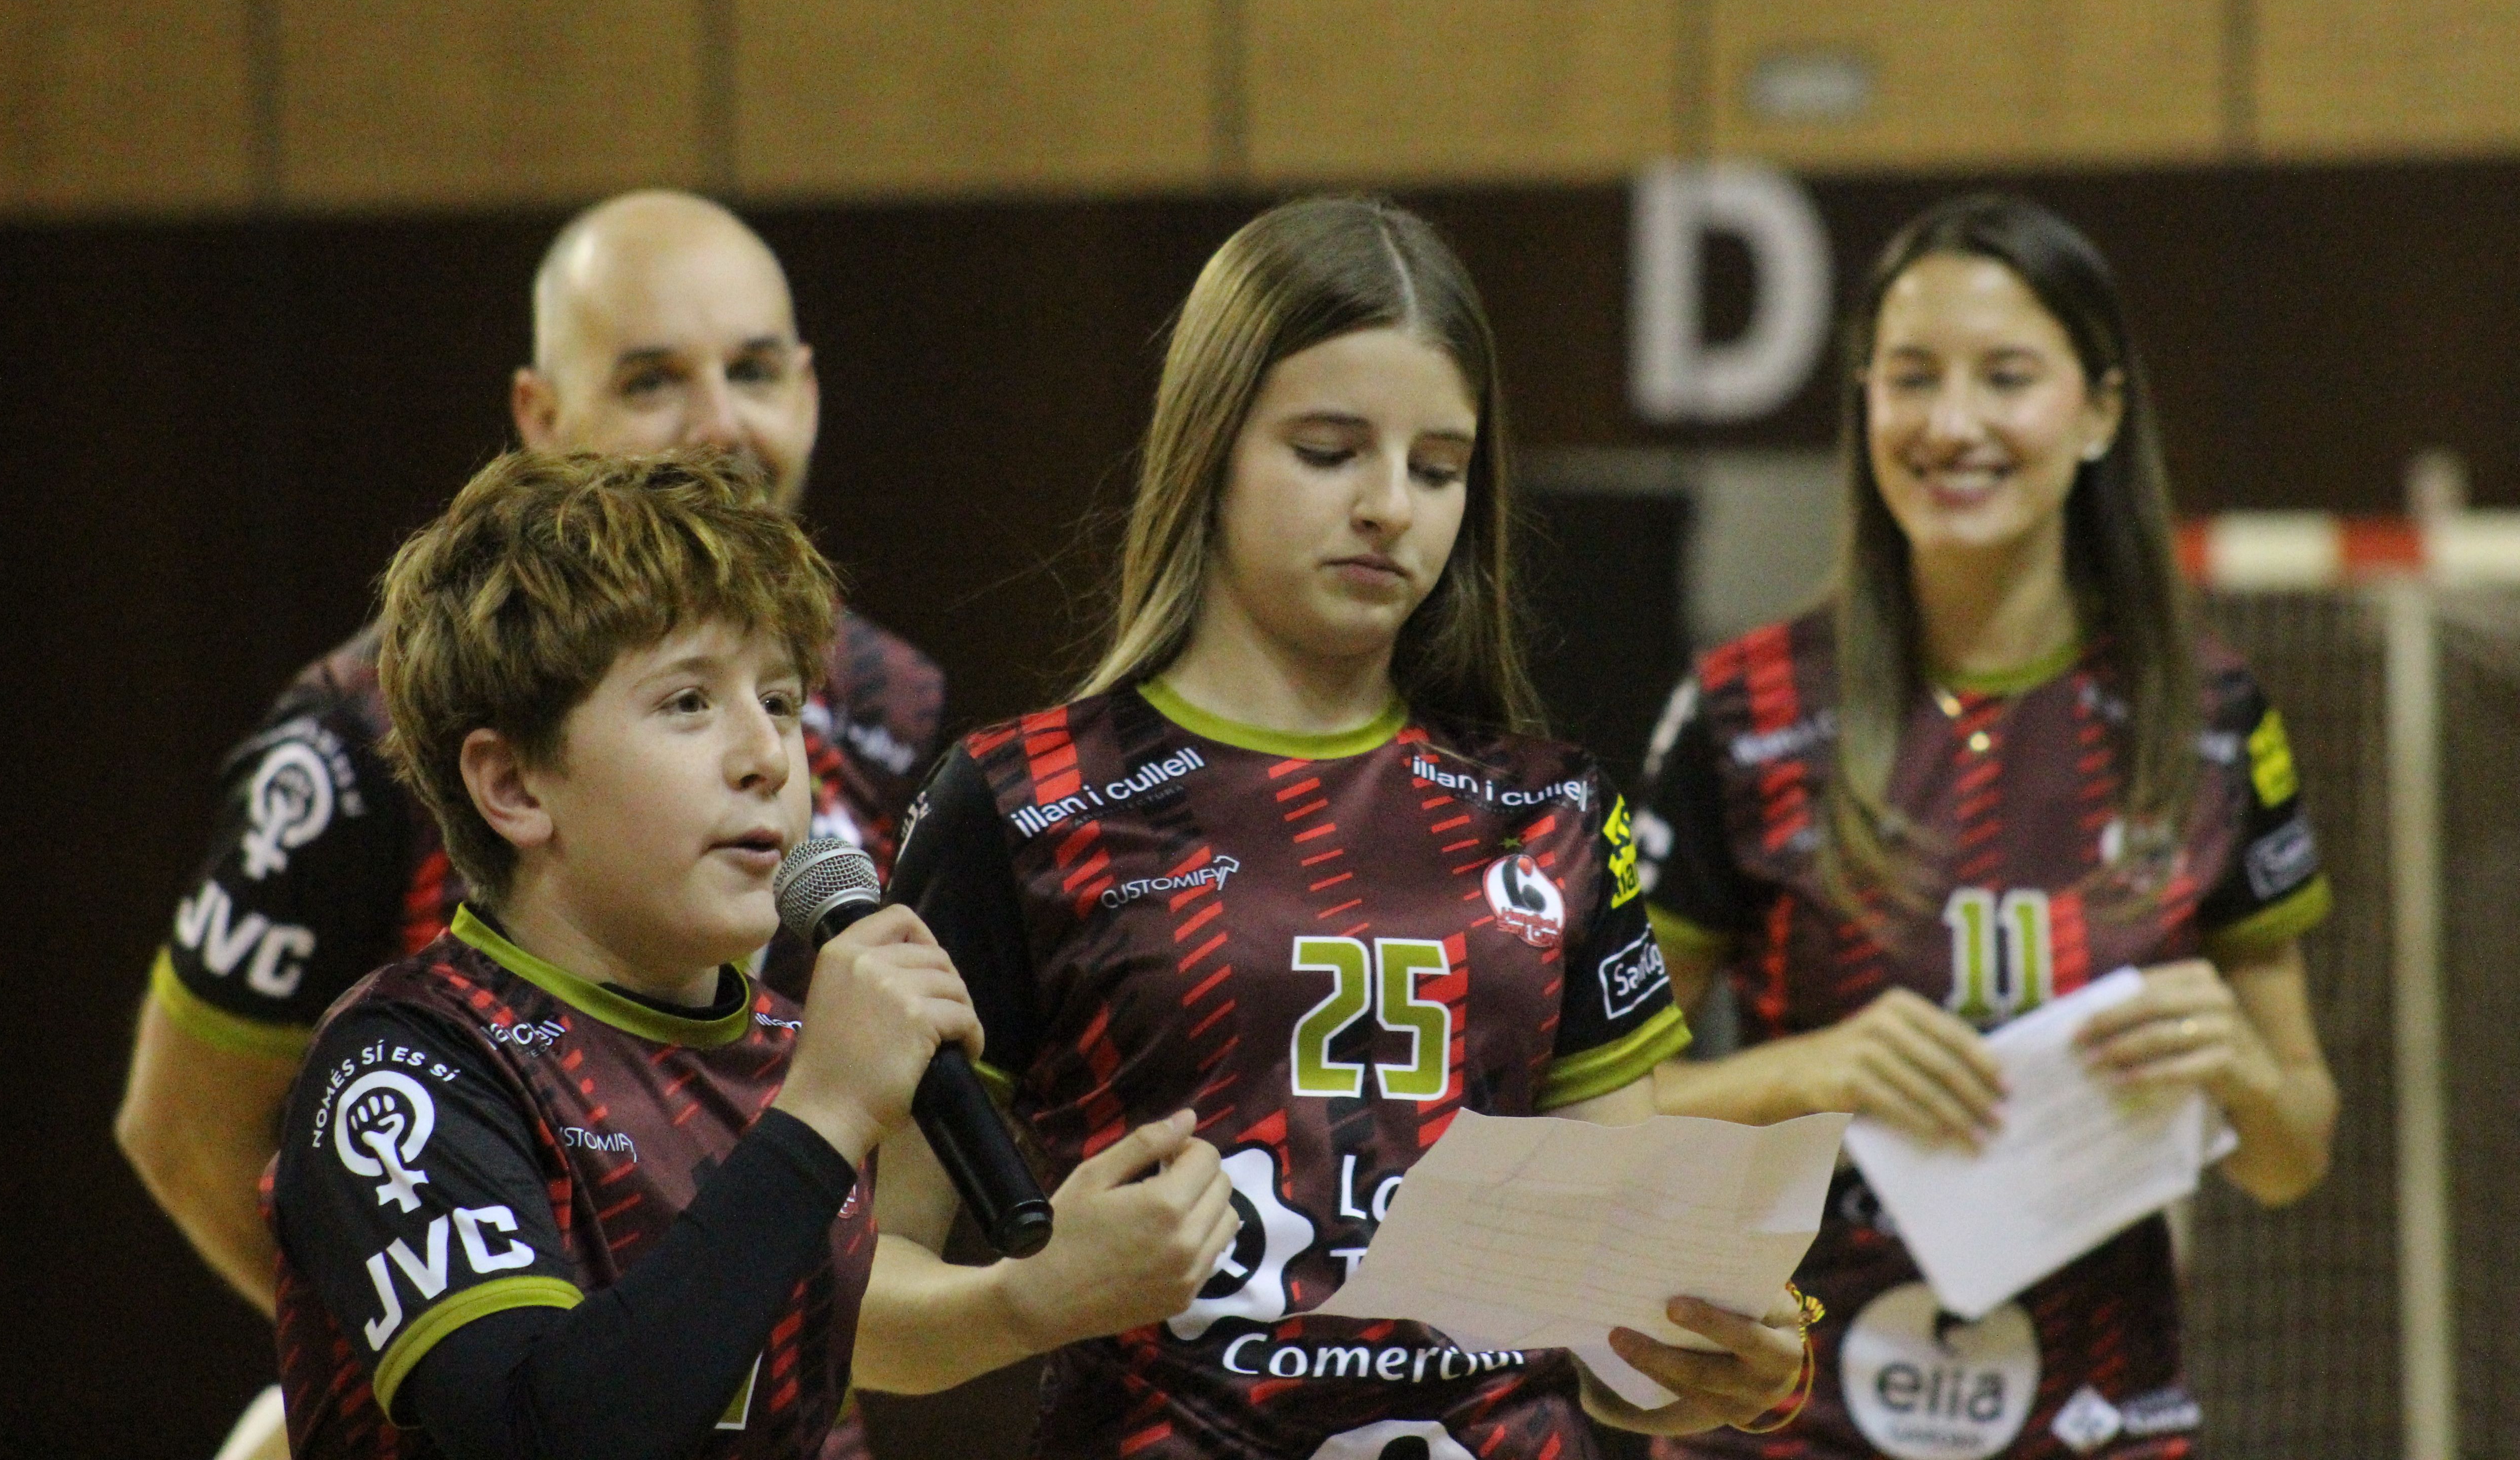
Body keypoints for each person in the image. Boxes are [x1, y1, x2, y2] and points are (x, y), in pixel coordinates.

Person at [874, 197, 1809, 1457]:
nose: (1389, 506)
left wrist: (1740, 1355)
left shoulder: (1560, 812)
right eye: (1328, 451)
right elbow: (853, 1302)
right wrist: (1023, 1301)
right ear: (1207, 448)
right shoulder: (1019, 802)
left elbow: (1618, 1329)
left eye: (1437, 468)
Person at [114, 193, 942, 1455]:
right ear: (541, 417)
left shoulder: (891, 702)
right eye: (656, 378)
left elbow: (874, 1196)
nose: (722, 424)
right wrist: (408, 1343)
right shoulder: (353, 739)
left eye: (757, 371)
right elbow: (182, 1128)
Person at [1636, 195, 2339, 1460]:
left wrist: (2235, 1067)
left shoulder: (2212, 717)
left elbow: (2292, 1152)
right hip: (1782, 1416)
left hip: (2096, 1417)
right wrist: (1803, 1071)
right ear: (1864, 405)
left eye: (2006, 378)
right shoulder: (1742, 712)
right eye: (1912, 379)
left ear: (2100, 413)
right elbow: (1603, 1116)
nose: (1952, 424)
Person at [268, 447, 967, 1458]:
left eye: (778, 701)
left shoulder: (795, 1047)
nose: (767, 756)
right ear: (514, 785)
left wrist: (1042, 1292)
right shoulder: (407, 1062)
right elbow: (542, 1433)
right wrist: (824, 1119)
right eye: (689, 703)